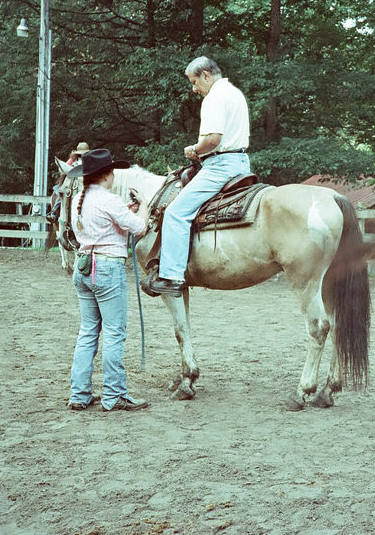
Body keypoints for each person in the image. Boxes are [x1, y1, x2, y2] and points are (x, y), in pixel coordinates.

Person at [147, 56, 251, 296]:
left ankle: (172, 276)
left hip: (220, 166)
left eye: (195, 82)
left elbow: (213, 139)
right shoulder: (235, 93)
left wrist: (194, 150)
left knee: (176, 212)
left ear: (206, 75)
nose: (194, 89)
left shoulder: (214, 97)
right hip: (241, 163)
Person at [66, 148, 150, 412]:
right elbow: (139, 228)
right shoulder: (109, 200)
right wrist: (144, 207)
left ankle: (79, 394)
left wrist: (127, 210)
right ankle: (114, 395)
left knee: (88, 331)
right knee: (114, 333)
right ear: (105, 175)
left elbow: (103, 223)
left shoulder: (79, 199)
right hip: (107, 269)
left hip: (84, 266)